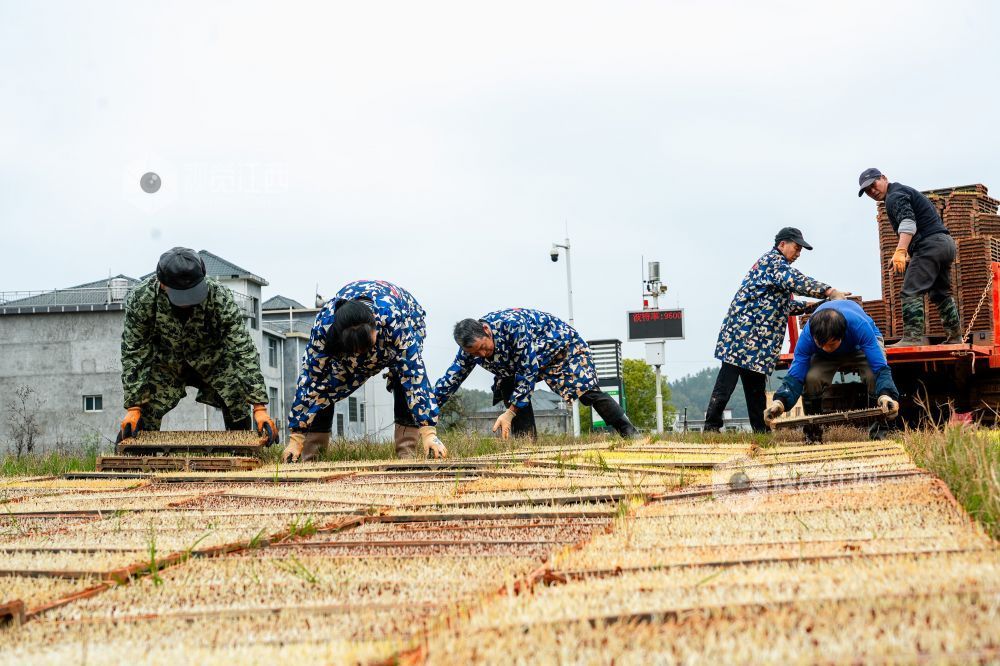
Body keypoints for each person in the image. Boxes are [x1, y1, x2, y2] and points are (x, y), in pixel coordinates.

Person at [119, 247, 277, 444]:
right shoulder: (142, 299)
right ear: (162, 284)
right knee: (141, 419)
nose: (187, 301)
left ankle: (242, 448)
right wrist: (134, 406)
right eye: (181, 295)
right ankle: (137, 453)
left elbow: (241, 348)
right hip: (167, 365)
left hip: (213, 362)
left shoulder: (218, 296)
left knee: (237, 400)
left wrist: (259, 406)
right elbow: (134, 351)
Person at [282, 279, 446, 462]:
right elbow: (310, 379)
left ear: (375, 326)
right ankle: (312, 456)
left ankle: (407, 453)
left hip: (405, 317)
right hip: (345, 345)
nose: (363, 355)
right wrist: (296, 436)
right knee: (323, 385)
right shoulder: (325, 327)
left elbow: (414, 375)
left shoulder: (393, 319)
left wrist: (429, 431)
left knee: (402, 376)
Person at [705, 228, 848, 433]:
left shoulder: (774, 269)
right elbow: (796, 281)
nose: (798, 253)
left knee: (755, 387)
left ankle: (760, 430)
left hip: (754, 339)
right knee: (726, 382)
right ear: (782, 244)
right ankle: (711, 426)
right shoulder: (774, 262)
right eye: (796, 248)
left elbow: (782, 306)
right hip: (743, 335)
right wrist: (829, 291)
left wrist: (815, 305)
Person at [435, 309, 640, 439]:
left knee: (586, 391)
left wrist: (510, 412)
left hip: (560, 348)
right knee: (508, 385)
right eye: (475, 353)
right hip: (521, 363)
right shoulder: (469, 352)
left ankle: (628, 431)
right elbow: (450, 380)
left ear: (486, 331)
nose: (481, 355)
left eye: (483, 347)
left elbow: (528, 371)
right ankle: (526, 442)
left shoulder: (512, 326)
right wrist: (427, 412)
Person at [764, 300, 900, 441]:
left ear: (842, 335)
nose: (827, 348)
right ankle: (813, 434)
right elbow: (796, 374)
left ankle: (879, 432)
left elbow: (879, 367)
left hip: (859, 347)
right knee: (812, 378)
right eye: (821, 344)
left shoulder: (860, 326)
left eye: (831, 344)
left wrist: (886, 395)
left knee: (872, 376)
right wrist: (780, 401)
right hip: (823, 357)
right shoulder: (807, 337)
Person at [859, 168, 962, 346]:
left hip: (930, 246)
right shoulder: (903, 191)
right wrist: (907, 252)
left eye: (873, 185)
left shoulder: (894, 196)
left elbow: (908, 223)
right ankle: (955, 337)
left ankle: (912, 339)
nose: (872, 191)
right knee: (940, 293)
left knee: (911, 290)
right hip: (944, 244)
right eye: (867, 190)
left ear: (884, 178)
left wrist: (901, 250)